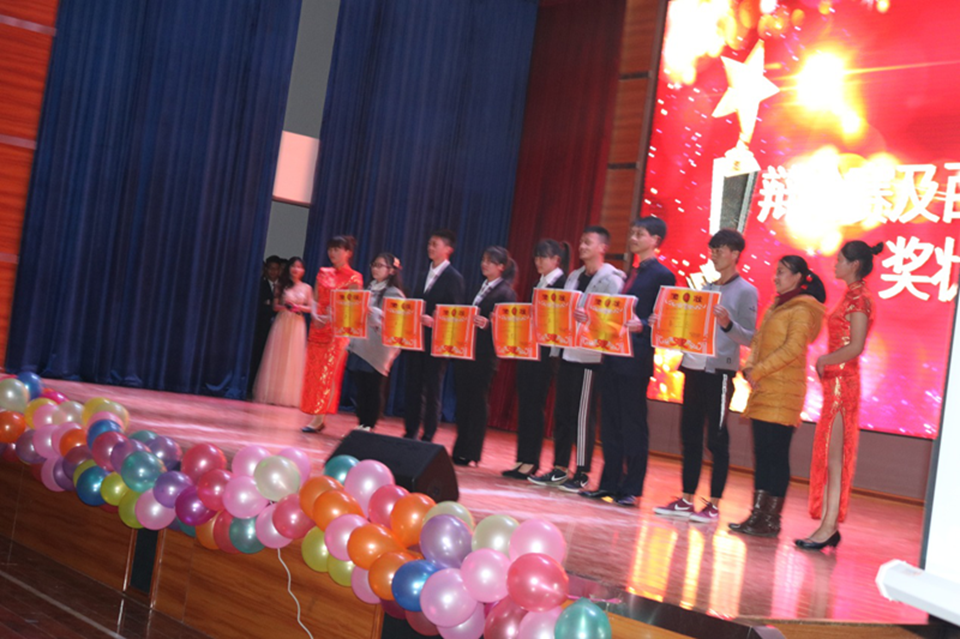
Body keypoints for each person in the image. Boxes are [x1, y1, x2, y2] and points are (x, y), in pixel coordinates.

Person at [654, 229, 758, 521]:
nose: (713, 255)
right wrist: (664, 323)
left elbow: (751, 337)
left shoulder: (746, 291)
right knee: (690, 435)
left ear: (735, 254)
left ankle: (713, 503)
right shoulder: (705, 287)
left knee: (717, 438)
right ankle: (686, 498)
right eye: (712, 249)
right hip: (693, 367)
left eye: (719, 250)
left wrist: (727, 323)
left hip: (720, 372)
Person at [580, 217, 675, 507]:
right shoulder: (631, 272)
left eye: (639, 234)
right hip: (613, 354)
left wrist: (642, 325)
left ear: (655, 240)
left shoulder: (663, 275)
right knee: (610, 423)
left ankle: (631, 487)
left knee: (633, 424)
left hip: (636, 358)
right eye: (632, 233)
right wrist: (592, 318)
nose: (633, 238)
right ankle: (609, 483)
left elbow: (666, 319)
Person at [730, 255, 826, 537]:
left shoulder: (803, 309)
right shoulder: (777, 305)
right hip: (765, 389)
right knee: (762, 454)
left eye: (782, 272)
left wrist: (758, 371)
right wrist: (749, 368)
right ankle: (758, 515)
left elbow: (793, 348)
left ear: (798, 277)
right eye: (776, 271)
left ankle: (771, 519)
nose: (776, 277)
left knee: (776, 455)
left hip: (784, 392)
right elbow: (759, 341)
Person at [796, 241, 882, 550]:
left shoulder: (860, 299)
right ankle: (827, 525)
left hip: (843, 385)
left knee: (835, 459)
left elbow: (856, 346)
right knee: (830, 457)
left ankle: (828, 526)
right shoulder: (851, 295)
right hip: (835, 385)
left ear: (855, 265)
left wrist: (824, 360)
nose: (835, 264)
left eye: (841, 260)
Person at [529, 226, 624, 493]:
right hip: (567, 352)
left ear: (602, 248)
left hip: (590, 357)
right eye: (581, 241)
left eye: (588, 242)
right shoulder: (574, 276)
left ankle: (582, 472)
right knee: (562, 412)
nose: (582, 246)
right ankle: (560, 467)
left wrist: (591, 318)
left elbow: (616, 319)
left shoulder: (612, 280)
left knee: (583, 416)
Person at [502, 239, 569, 480]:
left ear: (556, 260)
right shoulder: (537, 283)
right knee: (526, 404)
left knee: (535, 405)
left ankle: (532, 461)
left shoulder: (563, 284)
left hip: (547, 354)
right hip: (529, 350)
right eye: (537, 257)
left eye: (544, 257)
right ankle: (523, 457)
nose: (538, 261)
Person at [452, 246, 518, 466]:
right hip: (466, 351)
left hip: (485, 354)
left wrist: (489, 325)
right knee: (463, 401)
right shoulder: (478, 287)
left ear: (501, 267)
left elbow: (508, 328)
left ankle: (472, 451)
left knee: (478, 402)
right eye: (483, 260)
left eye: (490, 261)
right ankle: (460, 447)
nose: (484, 264)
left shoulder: (506, 293)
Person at [403, 230, 465, 442]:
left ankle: (428, 433)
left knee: (432, 388)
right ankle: (410, 429)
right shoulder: (423, 275)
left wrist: (436, 321)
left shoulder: (454, 278)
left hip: (437, 343)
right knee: (413, 386)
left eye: (435, 244)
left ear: (448, 249)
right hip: (417, 340)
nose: (430, 248)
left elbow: (456, 314)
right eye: (429, 243)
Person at [301, 236, 364, 433]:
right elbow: (314, 299)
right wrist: (314, 314)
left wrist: (333, 315)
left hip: (337, 333)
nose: (333, 253)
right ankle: (316, 414)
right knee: (314, 372)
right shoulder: (323, 272)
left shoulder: (354, 278)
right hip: (318, 327)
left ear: (348, 253)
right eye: (331, 249)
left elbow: (354, 308)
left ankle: (319, 418)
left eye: (337, 249)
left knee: (327, 373)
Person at [345, 253, 405, 431]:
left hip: (378, 347)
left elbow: (397, 322)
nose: (375, 269)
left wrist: (378, 315)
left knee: (373, 386)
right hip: (361, 344)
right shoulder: (368, 288)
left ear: (391, 270)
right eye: (374, 265)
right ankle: (361, 422)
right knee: (360, 386)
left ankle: (370, 423)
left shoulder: (395, 293)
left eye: (380, 266)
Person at [253, 257, 312, 407]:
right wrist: (286, 307)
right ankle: (273, 392)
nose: (296, 270)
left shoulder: (307, 288)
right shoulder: (281, 285)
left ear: (303, 270)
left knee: (294, 357)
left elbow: (311, 308)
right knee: (278, 356)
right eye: (293, 266)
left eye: (299, 267)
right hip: (282, 322)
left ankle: (290, 395)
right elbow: (275, 306)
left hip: (297, 324)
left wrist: (299, 308)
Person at [249, 255, 284, 395]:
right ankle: (252, 388)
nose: (273, 272)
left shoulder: (284, 287)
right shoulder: (260, 285)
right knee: (258, 357)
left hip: (280, 328)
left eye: (276, 269)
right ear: (266, 269)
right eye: (270, 269)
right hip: (262, 328)